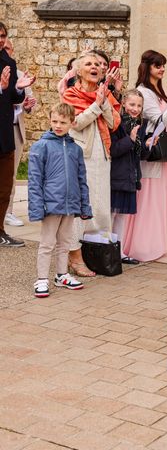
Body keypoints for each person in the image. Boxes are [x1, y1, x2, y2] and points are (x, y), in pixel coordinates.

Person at [63, 53, 121, 276]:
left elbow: (114, 123)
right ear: (78, 71)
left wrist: (103, 100)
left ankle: (97, 254)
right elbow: (75, 123)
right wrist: (96, 105)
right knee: (81, 206)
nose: (94, 66)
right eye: (89, 64)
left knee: (99, 206)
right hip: (80, 155)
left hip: (102, 155)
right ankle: (74, 256)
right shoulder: (71, 93)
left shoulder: (104, 93)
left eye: (98, 64)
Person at [123, 50, 167, 262]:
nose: (162, 69)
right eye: (158, 65)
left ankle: (155, 244)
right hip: (150, 153)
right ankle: (141, 246)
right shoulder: (144, 92)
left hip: (162, 153)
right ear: (147, 67)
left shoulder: (157, 91)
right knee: (148, 199)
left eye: (163, 65)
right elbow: (158, 121)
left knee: (159, 200)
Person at [28, 103, 91, 297]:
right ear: (50, 120)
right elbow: (34, 180)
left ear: (72, 123)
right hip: (50, 205)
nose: (58, 125)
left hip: (69, 205)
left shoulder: (76, 150)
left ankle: (61, 275)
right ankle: (41, 279)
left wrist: (84, 205)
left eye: (63, 122)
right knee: (47, 243)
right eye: (54, 121)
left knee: (65, 242)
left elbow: (82, 179)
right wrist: (37, 207)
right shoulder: (41, 146)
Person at [0, 21, 36, 247]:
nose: (1, 40)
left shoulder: (8, 63)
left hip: (3, 135)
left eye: (3, 35)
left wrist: (18, 88)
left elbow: (13, 99)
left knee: (4, 188)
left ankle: (0, 229)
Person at [110, 89, 146, 264]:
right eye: (132, 104)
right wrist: (130, 140)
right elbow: (113, 150)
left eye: (139, 105)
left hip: (129, 177)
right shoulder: (118, 123)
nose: (135, 109)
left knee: (122, 218)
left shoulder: (137, 124)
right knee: (110, 216)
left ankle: (120, 251)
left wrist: (145, 144)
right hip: (117, 176)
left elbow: (136, 155)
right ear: (124, 103)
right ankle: (108, 250)